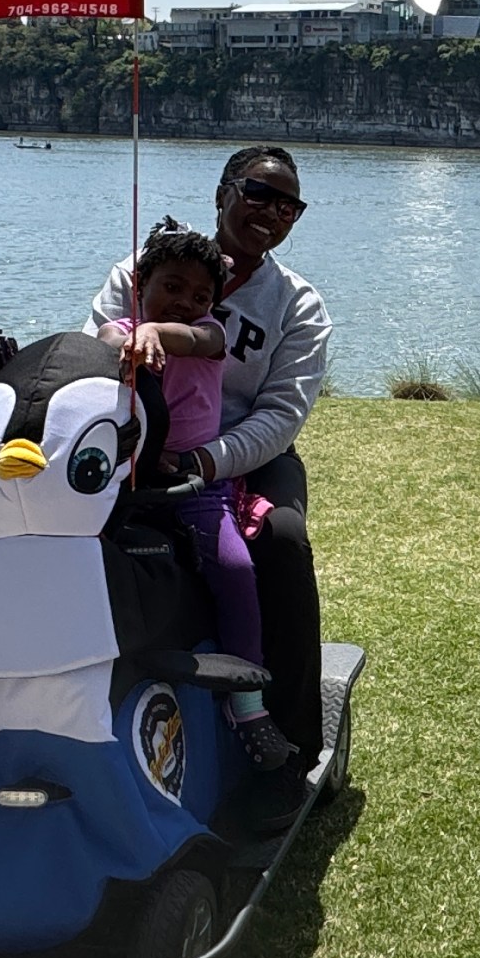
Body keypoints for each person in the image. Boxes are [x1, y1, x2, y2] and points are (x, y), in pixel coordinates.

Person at [91, 145, 330, 779]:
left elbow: (281, 415)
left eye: (289, 205)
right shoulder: (139, 271)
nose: (272, 212)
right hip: (138, 446)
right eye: (258, 192)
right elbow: (95, 353)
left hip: (240, 455)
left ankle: (283, 739)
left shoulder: (297, 304)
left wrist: (205, 459)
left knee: (281, 541)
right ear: (223, 192)